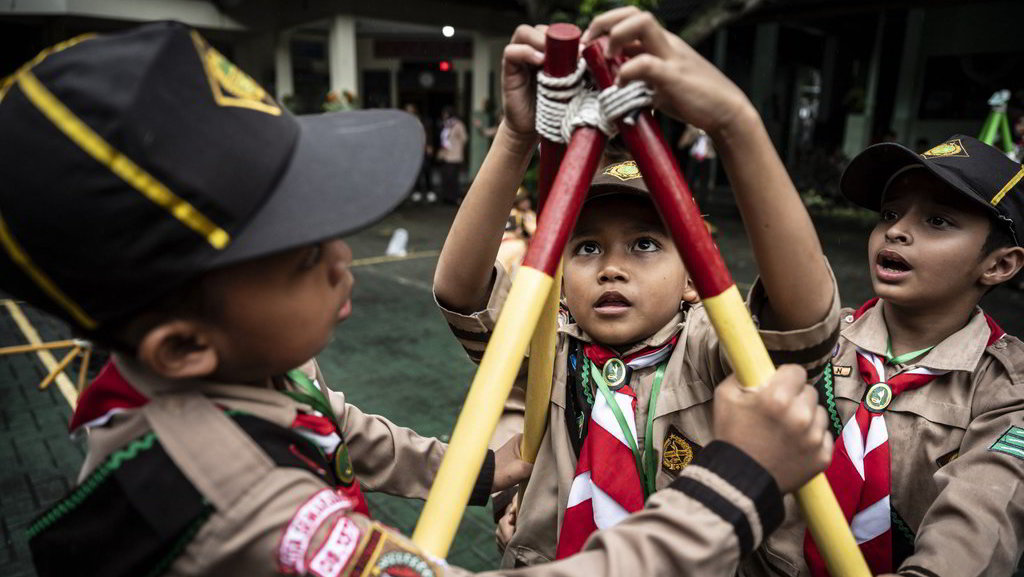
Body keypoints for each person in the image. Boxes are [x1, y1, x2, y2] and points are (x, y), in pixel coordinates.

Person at [1, 21, 834, 577]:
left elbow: (339, 431)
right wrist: (738, 480)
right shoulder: (241, 510)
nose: (342, 256)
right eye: (301, 253)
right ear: (184, 345)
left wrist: (474, 467)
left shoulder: (231, 366)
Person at [432, 9, 840, 568]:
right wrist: (517, 135)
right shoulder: (552, 348)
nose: (611, 268)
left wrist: (734, 124)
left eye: (645, 245)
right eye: (586, 247)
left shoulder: (711, 350)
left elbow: (801, 321)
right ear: (557, 277)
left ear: (695, 278)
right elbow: (461, 293)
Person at [744, 135, 1024, 577]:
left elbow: (976, 525)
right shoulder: (825, 337)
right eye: (890, 214)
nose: (896, 230)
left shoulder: (1007, 388)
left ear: (999, 265)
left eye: (937, 220)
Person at [404, 102, 436, 203]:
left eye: (411, 109)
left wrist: (429, 145)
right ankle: (417, 191)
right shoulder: (406, 122)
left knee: (427, 170)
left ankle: (430, 191)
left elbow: (428, 133)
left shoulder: (422, 121)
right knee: (416, 172)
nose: (409, 111)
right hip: (413, 151)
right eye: (408, 110)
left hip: (423, 149)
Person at [437, 106, 468, 204]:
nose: (444, 116)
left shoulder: (458, 125)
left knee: (453, 178)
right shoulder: (445, 125)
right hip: (445, 155)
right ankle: (446, 197)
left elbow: (464, 138)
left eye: (446, 113)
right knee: (445, 177)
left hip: (455, 156)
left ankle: (454, 198)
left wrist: (456, 144)